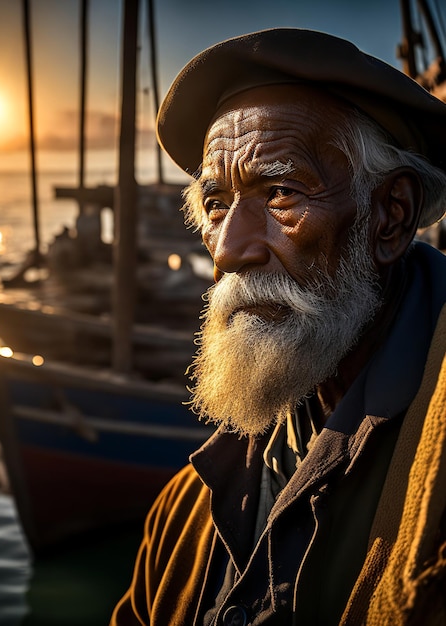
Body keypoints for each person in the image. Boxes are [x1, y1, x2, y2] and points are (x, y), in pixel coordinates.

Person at [111, 29, 446, 625]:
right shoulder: (186, 514)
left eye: (282, 191)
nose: (231, 250)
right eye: (216, 204)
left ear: (390, 217)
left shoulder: (435, 477)